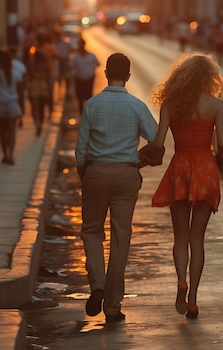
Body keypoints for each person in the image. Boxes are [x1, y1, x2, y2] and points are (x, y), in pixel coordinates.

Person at [142, 52, 223, 319]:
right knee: (197, 239)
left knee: (180, 238)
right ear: (208, 77)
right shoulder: (216, 105)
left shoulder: (170, 105)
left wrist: (139, 159)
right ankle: (194, 299)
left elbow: (159, 143)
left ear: (181, 76)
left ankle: (181, 285)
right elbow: (222, 144)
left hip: (180, 168)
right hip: (205, 170)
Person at [75, 52, 158, 323]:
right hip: (126, 174)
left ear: (106, 73)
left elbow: (80, 151)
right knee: (121, 237)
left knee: (91, 231)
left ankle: (97, 284)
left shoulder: (92, 105)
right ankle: (112, 305)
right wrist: (141, 160)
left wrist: (84, 177)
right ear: (129, 75)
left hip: (96, 172)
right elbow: (156, 140)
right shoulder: (136, 105)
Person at [0, 49, 22, 165]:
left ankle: (5, 155)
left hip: (0, 105)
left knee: (2, 132)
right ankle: (11, 156)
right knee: (11, 132)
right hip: (12, 105)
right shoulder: (16, 75)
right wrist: (22, 111)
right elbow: (20, 93)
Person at [71, 38, 99, 115]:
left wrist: (91, 70)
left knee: (88, 98)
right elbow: (71, 67)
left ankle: (88, 115)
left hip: (89, 79)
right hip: (79, 79)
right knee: (80, 98)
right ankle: (81, 115)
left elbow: (97, 63)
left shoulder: (91, 56)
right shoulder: (76, 57)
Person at [26, 48, 50, 136]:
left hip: (33, 88)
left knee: (34, 108)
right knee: (42, 108)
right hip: (43, 88)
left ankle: (37, 124)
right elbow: (47, 78)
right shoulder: (45, 66)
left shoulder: (31, 65)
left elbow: (28, 77)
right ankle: (41, 123)